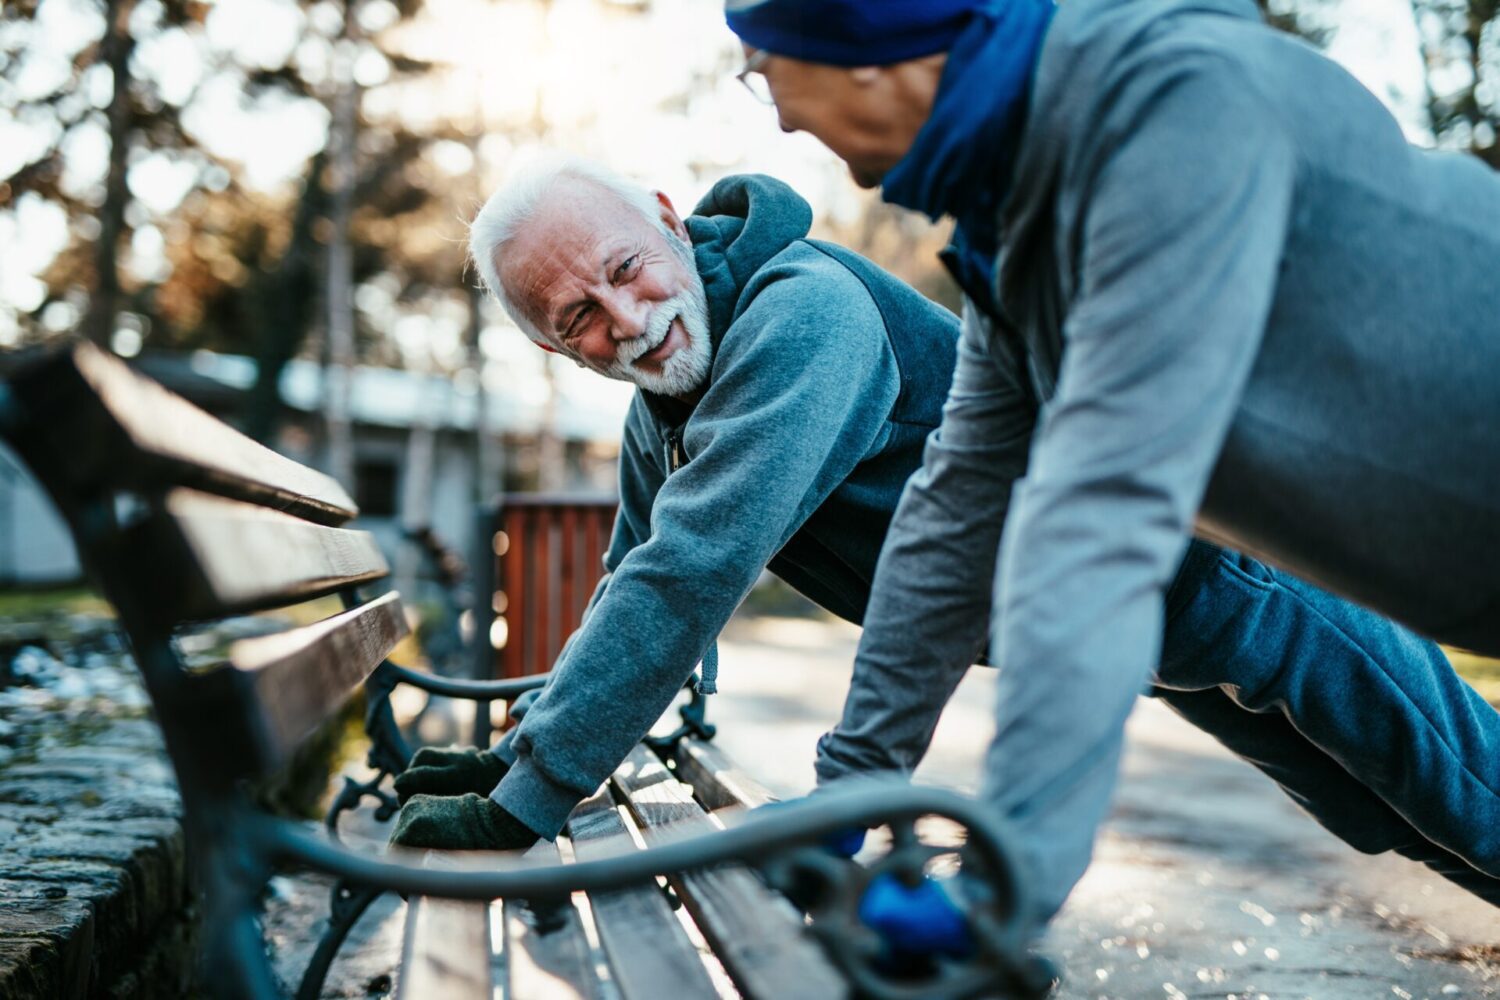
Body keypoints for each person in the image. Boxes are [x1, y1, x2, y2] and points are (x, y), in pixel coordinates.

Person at [388, 160, 1500, 936]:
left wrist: (526, 804)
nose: (623, 321)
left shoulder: (798, 318)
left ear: (673, 222)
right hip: (1144, 637)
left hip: (1228, 579)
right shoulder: (665, 399)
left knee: (1462, 795)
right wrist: (516, 753)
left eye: (624, 269)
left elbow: (693, 571)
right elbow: (634, 574)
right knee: (1386, 815)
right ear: (547, 344)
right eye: (573, 316)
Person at [722, 0, 1500, 937]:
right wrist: (849, 791)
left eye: (763, 68)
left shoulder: (1169, 108)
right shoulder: (1017, 226)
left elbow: (1099, 512)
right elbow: (956, 517)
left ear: (867, 51)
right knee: (1429, 823)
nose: (778, 116)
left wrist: (1007, 878)